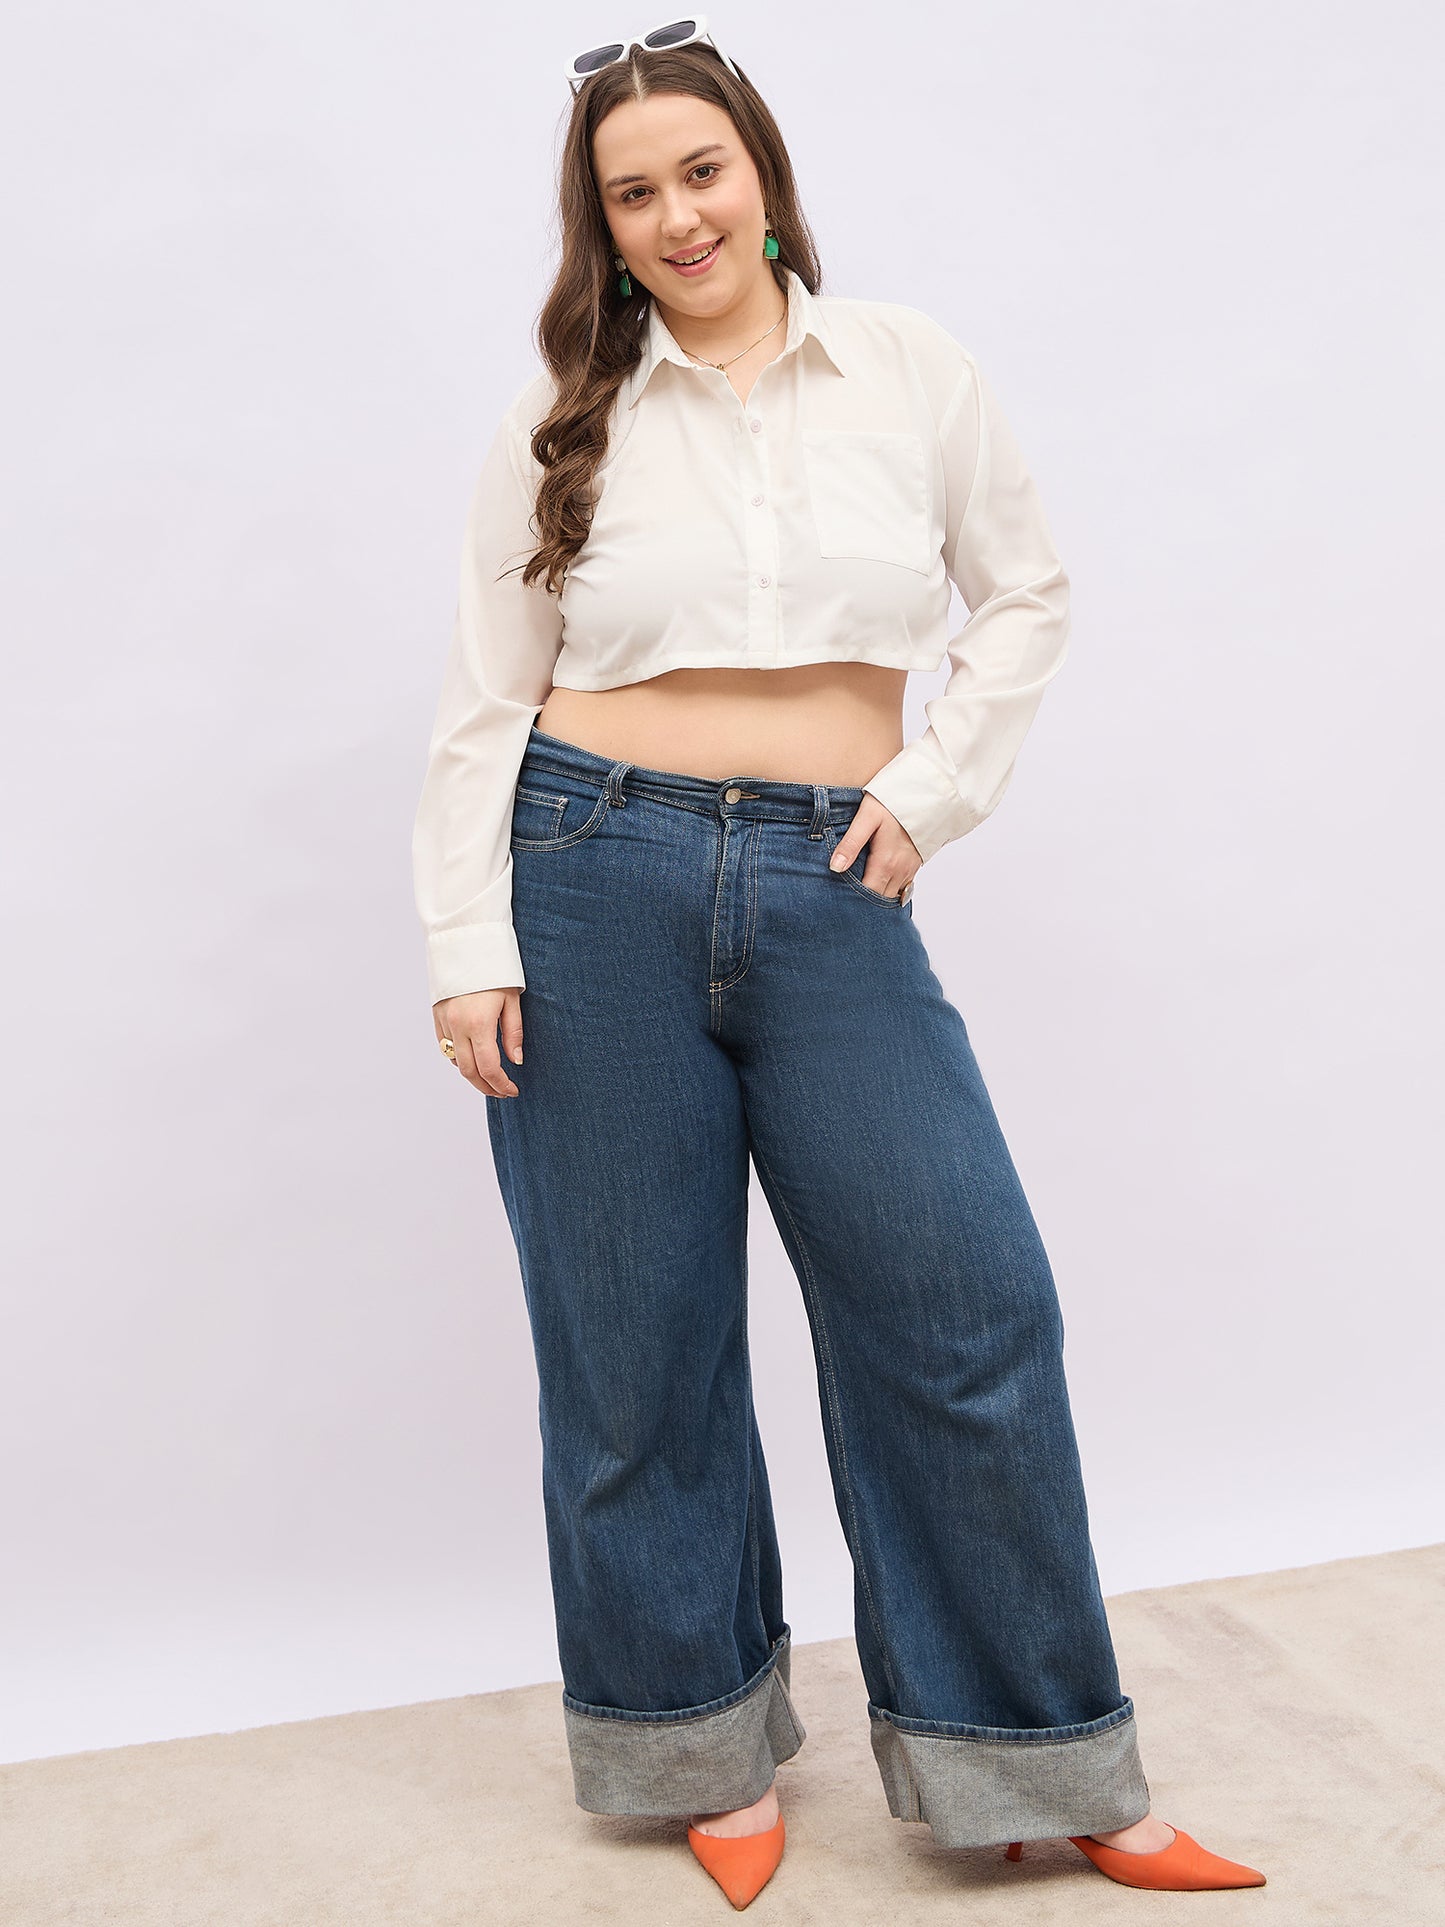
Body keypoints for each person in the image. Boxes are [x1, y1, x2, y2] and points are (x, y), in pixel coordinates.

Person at [411, 21, 1267, 1911]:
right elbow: (485, 697)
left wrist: (932, 791)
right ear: (600, 226)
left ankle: (1041, 1760)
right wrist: (465, 941)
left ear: (763, 176)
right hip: (586, 869)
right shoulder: (563, 416)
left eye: (699, 172)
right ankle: (692, 1747)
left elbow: (1023, 597)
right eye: (631, 194)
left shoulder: (907, 369)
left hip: (830, 881)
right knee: (633, 1349)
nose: (675, 216)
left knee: (966, 1316)